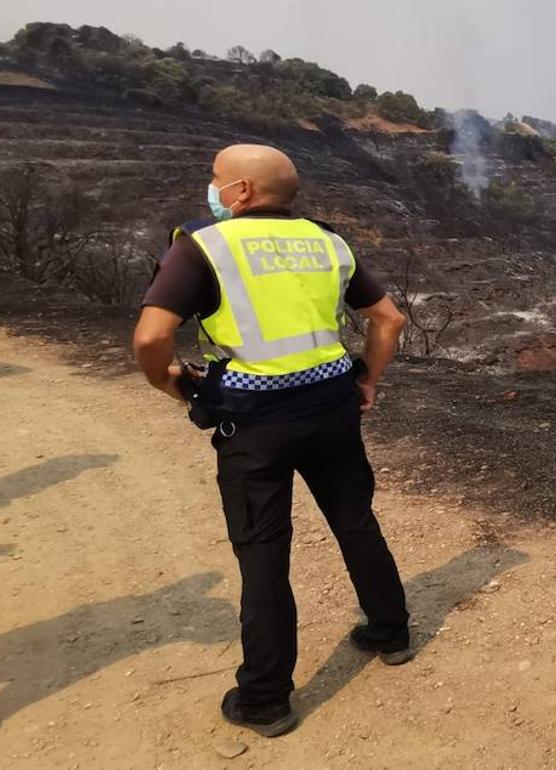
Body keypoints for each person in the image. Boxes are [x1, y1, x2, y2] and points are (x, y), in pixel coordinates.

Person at [133, 144, 412, 738]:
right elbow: (388, 319)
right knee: (354, 519)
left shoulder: (203, 245)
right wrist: (368, 380)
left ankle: (265, 697)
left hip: (254, 423)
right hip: (332, 406)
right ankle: (390, 633)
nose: (210, 189)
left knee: (263, 551)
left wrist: (172, 384)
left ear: (240, 192)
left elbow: (153, 335)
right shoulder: (328, 241)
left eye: (215, 179)